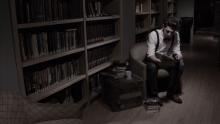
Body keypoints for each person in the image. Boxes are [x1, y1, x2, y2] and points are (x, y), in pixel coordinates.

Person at [144, 17, 184, 105]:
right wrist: (160, 61)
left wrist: (178, 56)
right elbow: (150, 54)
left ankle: (171, 93)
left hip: (166, 58)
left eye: (172, 32)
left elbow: (177, 50)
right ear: (163, 26)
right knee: (152, 67)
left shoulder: (176, 34)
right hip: (153, 57)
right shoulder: (153, 34)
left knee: (180, 65)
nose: (170, 34)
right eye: (167, 31)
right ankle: (154, 96)